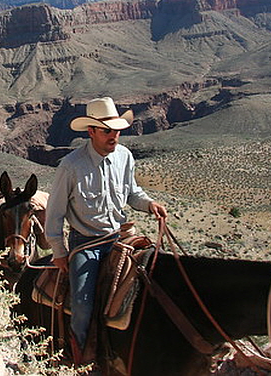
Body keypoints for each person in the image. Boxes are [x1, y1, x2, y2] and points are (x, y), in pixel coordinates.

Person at [44, 97, 167, 364]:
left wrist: (150, 204)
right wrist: (59, 251)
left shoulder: (125, 157)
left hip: (119, 236)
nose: (114, 136)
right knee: (83, 303)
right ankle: (79, 357)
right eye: (107, 130)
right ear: (91, 131)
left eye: (117, 130)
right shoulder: (71, 166)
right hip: (85, 242)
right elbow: (54, 213)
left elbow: (133, 194)